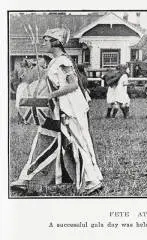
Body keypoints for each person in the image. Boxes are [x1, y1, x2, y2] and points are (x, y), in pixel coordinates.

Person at [10, 28, 103, 195]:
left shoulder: (63, 61)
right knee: (42, 140)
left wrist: (51, 95)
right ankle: (24, 179)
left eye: (46, 40)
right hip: (55, 109)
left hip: (69, 109)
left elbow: (73, 85)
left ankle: (92, 180)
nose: (43, 43)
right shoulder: (54, 62)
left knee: (78, 142)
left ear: (55, 42)